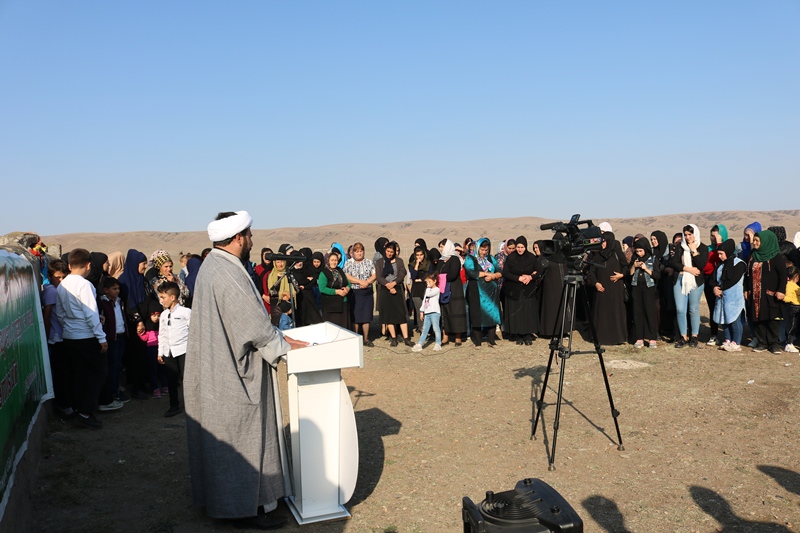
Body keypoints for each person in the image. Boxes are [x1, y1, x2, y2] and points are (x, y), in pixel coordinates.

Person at [185, 210, 305, 529]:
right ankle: (245, 509)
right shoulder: (226, 272)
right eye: (250, 235)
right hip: (232, 375)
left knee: (231, 441)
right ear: (239, 238)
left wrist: (280, 336)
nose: (252, 240)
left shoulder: (214, 265)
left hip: (218, 366)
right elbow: (253, 326)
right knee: (244, 439)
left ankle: (233, 503)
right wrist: (285, 347)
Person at [56, 248, 108, 429]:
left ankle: (79, 410)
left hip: (70, 336)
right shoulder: (85, 285)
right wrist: (101, 338)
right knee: (98, 373)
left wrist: (69, 327)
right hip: (86, 335)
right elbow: (91, 313)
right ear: (88, 265)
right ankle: (86, 413)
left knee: (79, 374)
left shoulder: (62, 284)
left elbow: (60, 313)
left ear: (69, 265)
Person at [745, 230, 787, 354]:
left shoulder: (776, 257)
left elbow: (783, 276)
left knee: (772, 318)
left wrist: (781, 290)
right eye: (755, 240)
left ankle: (774, 343)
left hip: (770, 293)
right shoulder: (752, 255)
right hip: (755, 293)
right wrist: (746, 289)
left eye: (757, 241)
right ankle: (762, 342)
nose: (754, 243)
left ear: (766, 242)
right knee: (758, 318)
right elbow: (747, 275)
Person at [669, 224, 709, 349]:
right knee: (680, 309)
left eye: (690, 234)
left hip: (695, 282)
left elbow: (702, 265)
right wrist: (688, 269)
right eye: (685, 235)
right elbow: (673, 263)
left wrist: (693, 251)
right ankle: (683, 337)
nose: (687, 237)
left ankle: (694, 336)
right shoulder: (680, 247)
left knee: (693, 309)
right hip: (680, 280)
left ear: (695, 234)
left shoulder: (702, 247)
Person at [42, 259, 71, 418]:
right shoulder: (52, 291)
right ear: (50, 275)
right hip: (56, 339)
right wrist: (46, 338)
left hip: (61, 337)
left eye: (63, 277)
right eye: (57, 277)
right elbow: (47, 317)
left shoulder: (57, 290)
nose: (61, 281)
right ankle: (64, 406)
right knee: (62, 375)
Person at [587, 232, 628, 346]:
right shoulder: (597, 254)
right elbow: (591, 270)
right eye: (601, 241)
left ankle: (617, 337)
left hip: (615, 288)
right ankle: (600, 337)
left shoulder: (617, 253)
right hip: (601, 288)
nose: (602, 243)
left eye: (604, 241)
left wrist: (621, 275)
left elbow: (626, 266)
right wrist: (596, 283)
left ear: (609, 241)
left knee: (615, 311)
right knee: (601, 312)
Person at [157, 281, 190, 417]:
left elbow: (193, 331)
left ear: (173, 297)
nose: (161, 300)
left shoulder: (186, 312)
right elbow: (162, 333)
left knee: (186, 379)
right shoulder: (164, 315)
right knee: (171, 379)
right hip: (169, 352)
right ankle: (174, 405)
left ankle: (191, 406)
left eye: (163, 297)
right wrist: (161, 352)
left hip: (183, 350)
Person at [464, 238, 502, 347]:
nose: (484, 252)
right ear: (477, 248)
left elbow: (499, 271)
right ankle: (478, 341)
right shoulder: (470, 258)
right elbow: (471, 272)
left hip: (491, 291)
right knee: (477, 315)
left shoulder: (491, 258)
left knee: (492, 313)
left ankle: (491, 340)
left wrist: (494, 276)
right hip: (476, 290)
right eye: (482, 249)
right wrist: (486, 274)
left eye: (486, 250)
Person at [97, 276, 127, 411]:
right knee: (112, 366)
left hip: (120, 336)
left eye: (118, 288)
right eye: (114, 289)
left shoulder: (119, 301)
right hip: (111, 339)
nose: (117, 291)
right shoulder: (104, 303)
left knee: (117, 365)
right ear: (106, 290)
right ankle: (112, 392)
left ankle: (115, 389)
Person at [375, 242, 413, 346]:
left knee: (401, 315)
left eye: (392, 252)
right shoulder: (379, 262)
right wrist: (388, 285)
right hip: (385, 290)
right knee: (389, 315)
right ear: (385, 250)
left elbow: (402, 274)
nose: (389, 253)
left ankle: (406, 338)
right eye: (388, 251)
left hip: (397, 289)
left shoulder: (399, 261)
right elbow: (379, 277)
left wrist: (394, 284)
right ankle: (394, 338)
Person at [712, 239, 747, 352]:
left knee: (734, 320)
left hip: (734, 299)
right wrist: (715, 288)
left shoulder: (740, 264)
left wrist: (720, 288)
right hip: (722, 298)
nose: (720, 256)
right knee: (724, 319)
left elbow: (733, 280)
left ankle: (736, 342)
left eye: (721, 254)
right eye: (719, 254)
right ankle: (727, 339)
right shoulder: (720, 265)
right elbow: (713, 279)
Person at [629, 238, 660, 348]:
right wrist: (634, 266)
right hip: (636, 288)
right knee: (637, 312)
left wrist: (646, 268)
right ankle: (639, 338)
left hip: (649, 288)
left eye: (641, 251)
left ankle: (652, 338)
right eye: (637, 251)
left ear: (646, 249)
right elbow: (630, 273)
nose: (639, 253)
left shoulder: (652, 259)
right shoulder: (634, 259)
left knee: (650, 312)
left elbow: (657, 275)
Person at [344, 242, 376, 346]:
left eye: (361, 251)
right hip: (355, 292)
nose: (359, 253)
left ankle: (366, 338)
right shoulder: (349, 263)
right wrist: (359, 282)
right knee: (356, 317)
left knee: (366, 316)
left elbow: (374, 275)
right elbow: (347, 276)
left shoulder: (369, 262)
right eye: (357, 251)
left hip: (367, 292)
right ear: (353, 253)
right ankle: (356, 337)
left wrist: (367, 282)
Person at [703, 225, 728, 345]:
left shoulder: (728, 248)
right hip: (710, 281)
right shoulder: (708, 249)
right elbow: (706, 266)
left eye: (716, 236)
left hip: (725, 281)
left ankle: (729, 336)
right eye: (712, 235)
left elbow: (724, 261)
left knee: (726, 308)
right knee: (713, 308)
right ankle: (714, 334)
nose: (713, 238)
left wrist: (719, 244)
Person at [138, 300, 167, 399]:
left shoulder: (162, 325)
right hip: (151, 349)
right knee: (153, 369)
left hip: (161, 348)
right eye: (153, 315)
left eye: (158, 315)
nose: (156, 318)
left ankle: (164, 386)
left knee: (163, 368)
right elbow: (145, 338)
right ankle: (155, 388)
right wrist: (140, 333)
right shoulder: (148, 326)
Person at [318, 249, 352, 329]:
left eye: (336, 260)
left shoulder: (340, 270)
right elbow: (322, 288)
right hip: (331, 305)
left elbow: (348, 283)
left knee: (343, 325)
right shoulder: (324, 273)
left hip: (343, 302)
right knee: (333, 327)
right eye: (332, 260)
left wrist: (347, 288)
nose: (334, 262)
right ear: (328, 261)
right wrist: (337, 292)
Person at [412, 273, 443, 352]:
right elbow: (424, 301)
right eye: (426, 282)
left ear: (434, 281)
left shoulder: (436, 290)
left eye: (429, 281)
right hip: (427, 312)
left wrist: (428, 288)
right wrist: (422, 311)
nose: (427, 283)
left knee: (436, 328)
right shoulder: (427, 290)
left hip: (435, 312)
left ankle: (438, 343)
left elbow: (429, 294)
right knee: (425, 329)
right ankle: (420, 344)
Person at [783, 266, 800, 353]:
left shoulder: (793, 285)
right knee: (792, 325)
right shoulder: (790, 285)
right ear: (796, 276)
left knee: (794, 325)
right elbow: (787, 298)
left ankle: (791, 341)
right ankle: (789, 343)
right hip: (793, 307)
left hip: (796, 307)